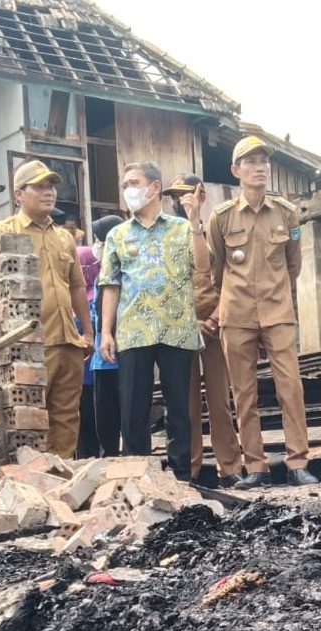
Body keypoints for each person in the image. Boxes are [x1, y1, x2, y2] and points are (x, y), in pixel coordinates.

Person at [209, 136, 316, 489]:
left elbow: (293, 264)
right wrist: (234, 300)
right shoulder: (221, 217)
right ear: (235, 171)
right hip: (236, 314)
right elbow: (217, 269)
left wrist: (274, 294)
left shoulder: (287, 213)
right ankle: (256, 466)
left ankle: (297, 462)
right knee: (243, 393)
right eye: (251, 161)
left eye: (264, 162)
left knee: (291, 387)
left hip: (277, 312)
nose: (260, 167)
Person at [99, 161, 202, 481]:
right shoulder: (117, 235)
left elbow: (203, 265)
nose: (128, 190)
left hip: (177, 327)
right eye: (125, 185)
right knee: (133, 408)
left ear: (154, 188)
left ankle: (182, 476)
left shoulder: (182, 229)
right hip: (133, 329)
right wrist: (106, 331)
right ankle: (138, 476)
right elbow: (111, 284)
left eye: (134, 182)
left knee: (178, 409)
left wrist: (196, 222)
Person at [0, 159, 94, 459]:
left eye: (51, 186)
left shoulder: (64, 236)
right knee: (30, 417)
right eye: (39, 186)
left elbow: (77, 286)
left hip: (66, 339)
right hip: (29, 345)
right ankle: (31, 478)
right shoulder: (4, 231)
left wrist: (87, 331)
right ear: (18, 194)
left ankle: (61, 475)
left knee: (66, 416)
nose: (48, 192)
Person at [165, 174, 244, 487]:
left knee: (220, 400)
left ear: (201, 196)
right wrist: (187, 321)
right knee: (186, 404)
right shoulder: (167, 236)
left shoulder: (215, 230)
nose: (179, 202)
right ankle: (191, 470)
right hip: (182, 328)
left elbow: (231, 277)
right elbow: (165, 287)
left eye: (186, 196)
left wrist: (216, 317)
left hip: (215, 324)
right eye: (175, 197)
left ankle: (230, 467)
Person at [90, 215, 123, 456]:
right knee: (104, 417)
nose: (97, 246)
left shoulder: (119, 273)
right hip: (101, 360)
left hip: (119, 357)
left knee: (115, 415)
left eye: (99, 241)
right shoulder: (101, 274)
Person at [75, 246, 99, 459]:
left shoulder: (91, 298)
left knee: (89, 417)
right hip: (82, 371)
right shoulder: (78, 298)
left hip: (90, 370)